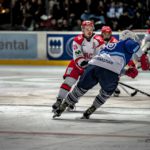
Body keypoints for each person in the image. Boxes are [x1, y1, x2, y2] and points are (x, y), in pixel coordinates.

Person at [53, 30, 150, 119]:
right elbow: (114, 64)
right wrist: (143, 56)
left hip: (94, 65)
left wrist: (126, 71)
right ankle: (93, 107)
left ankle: (63, 105)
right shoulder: (128, 42)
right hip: (110, 71)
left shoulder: (111, 45)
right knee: (107, 92)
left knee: (80, 88)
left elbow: (108, 63)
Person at [52, 20, 105, 112]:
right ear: (82, 29)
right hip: (77, 65)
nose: (89, 31)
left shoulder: (99, 40)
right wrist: (84, 64)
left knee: (82, 86)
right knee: (69, 81)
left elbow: (100, 56)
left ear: (93, 29)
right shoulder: (77, 39)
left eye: (90, 28)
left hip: (90, 67)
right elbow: (77, 55)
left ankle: (72, 102)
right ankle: (59, 100)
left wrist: (93, 65)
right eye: (86, 29)